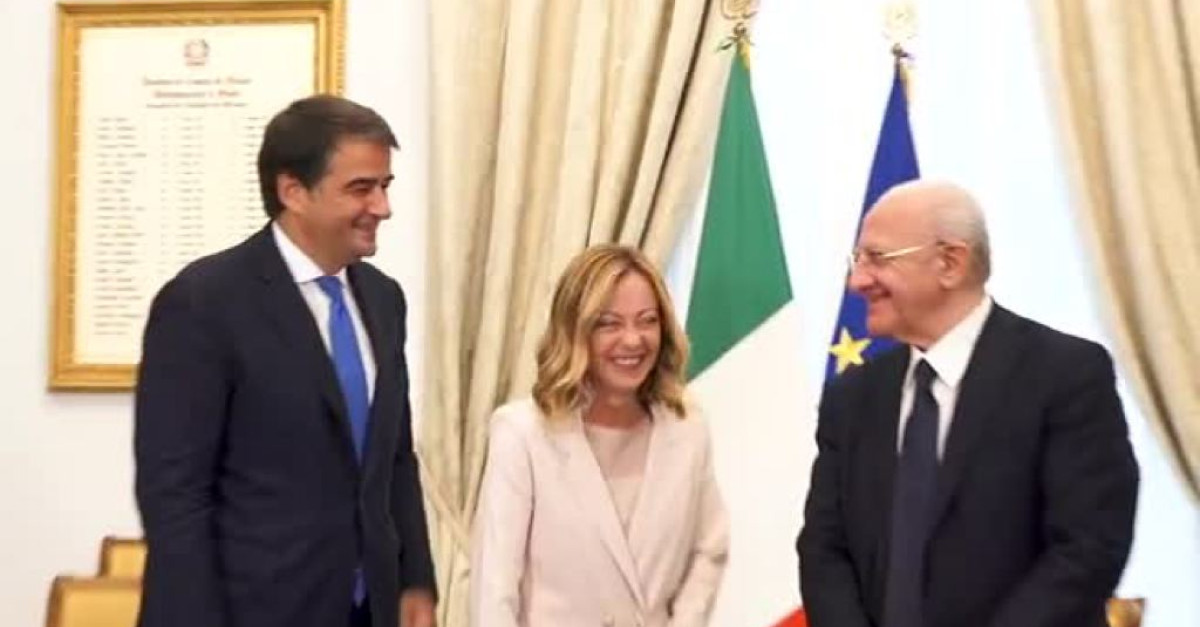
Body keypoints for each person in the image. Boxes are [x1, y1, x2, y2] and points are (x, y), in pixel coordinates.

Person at [134, 95, 437, 627]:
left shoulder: (383, 299)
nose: (382, 207)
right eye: (361, 188)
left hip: (369, 608)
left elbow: (394, 459)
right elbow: (175, 496)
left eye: (385, 186)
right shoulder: (204, 302)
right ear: (293, 191)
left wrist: (415, 580)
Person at [797, 180, 1138, 627]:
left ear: (950, 263)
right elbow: (824, 550)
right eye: (857, 260)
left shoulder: (1065, 375)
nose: (857, 281)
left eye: (877, 258)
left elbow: (1088, 548)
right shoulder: (853, 397)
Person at [469, 244, 729, 627]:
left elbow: (709, 549)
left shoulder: (687, 428)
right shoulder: (521, 434)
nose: (633, 340)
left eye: (647, 320)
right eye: (610, 324)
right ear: (575, 331)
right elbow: (494, 593)